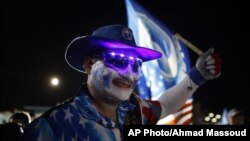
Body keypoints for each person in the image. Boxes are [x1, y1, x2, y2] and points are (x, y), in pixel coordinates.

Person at [21, 25, 221, 140]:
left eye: (136, 64)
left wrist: (198, 76)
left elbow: (166, 105)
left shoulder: (135, 109)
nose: (129, 73)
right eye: (117, 60)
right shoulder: (51, 126)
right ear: (89, 64)